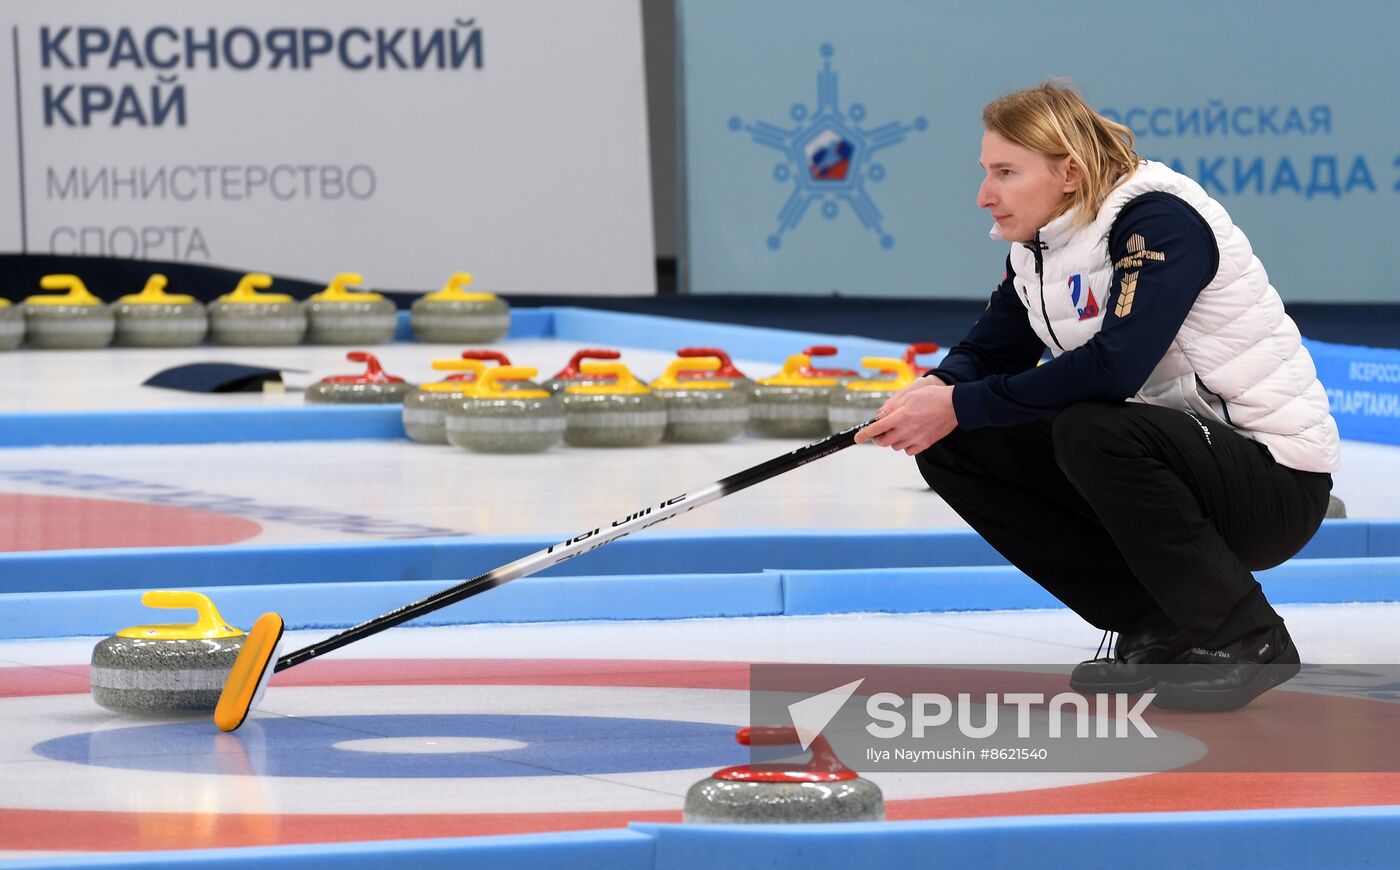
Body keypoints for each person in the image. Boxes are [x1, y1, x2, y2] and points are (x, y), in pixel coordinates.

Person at [854, 81, 1339, 712]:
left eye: (1005, 172)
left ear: (1070, 172)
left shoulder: (1157, 220)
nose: (984, 195)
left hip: (1272, 482)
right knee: (958, 443)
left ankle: (1246, 637)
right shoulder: (1040, 246)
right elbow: (993, 347)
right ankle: (1158, 622)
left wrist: (959, 402)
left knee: (1091, 428)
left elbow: (1115, 367)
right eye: (985, 172)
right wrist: (939, 389)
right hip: (1177, 464)